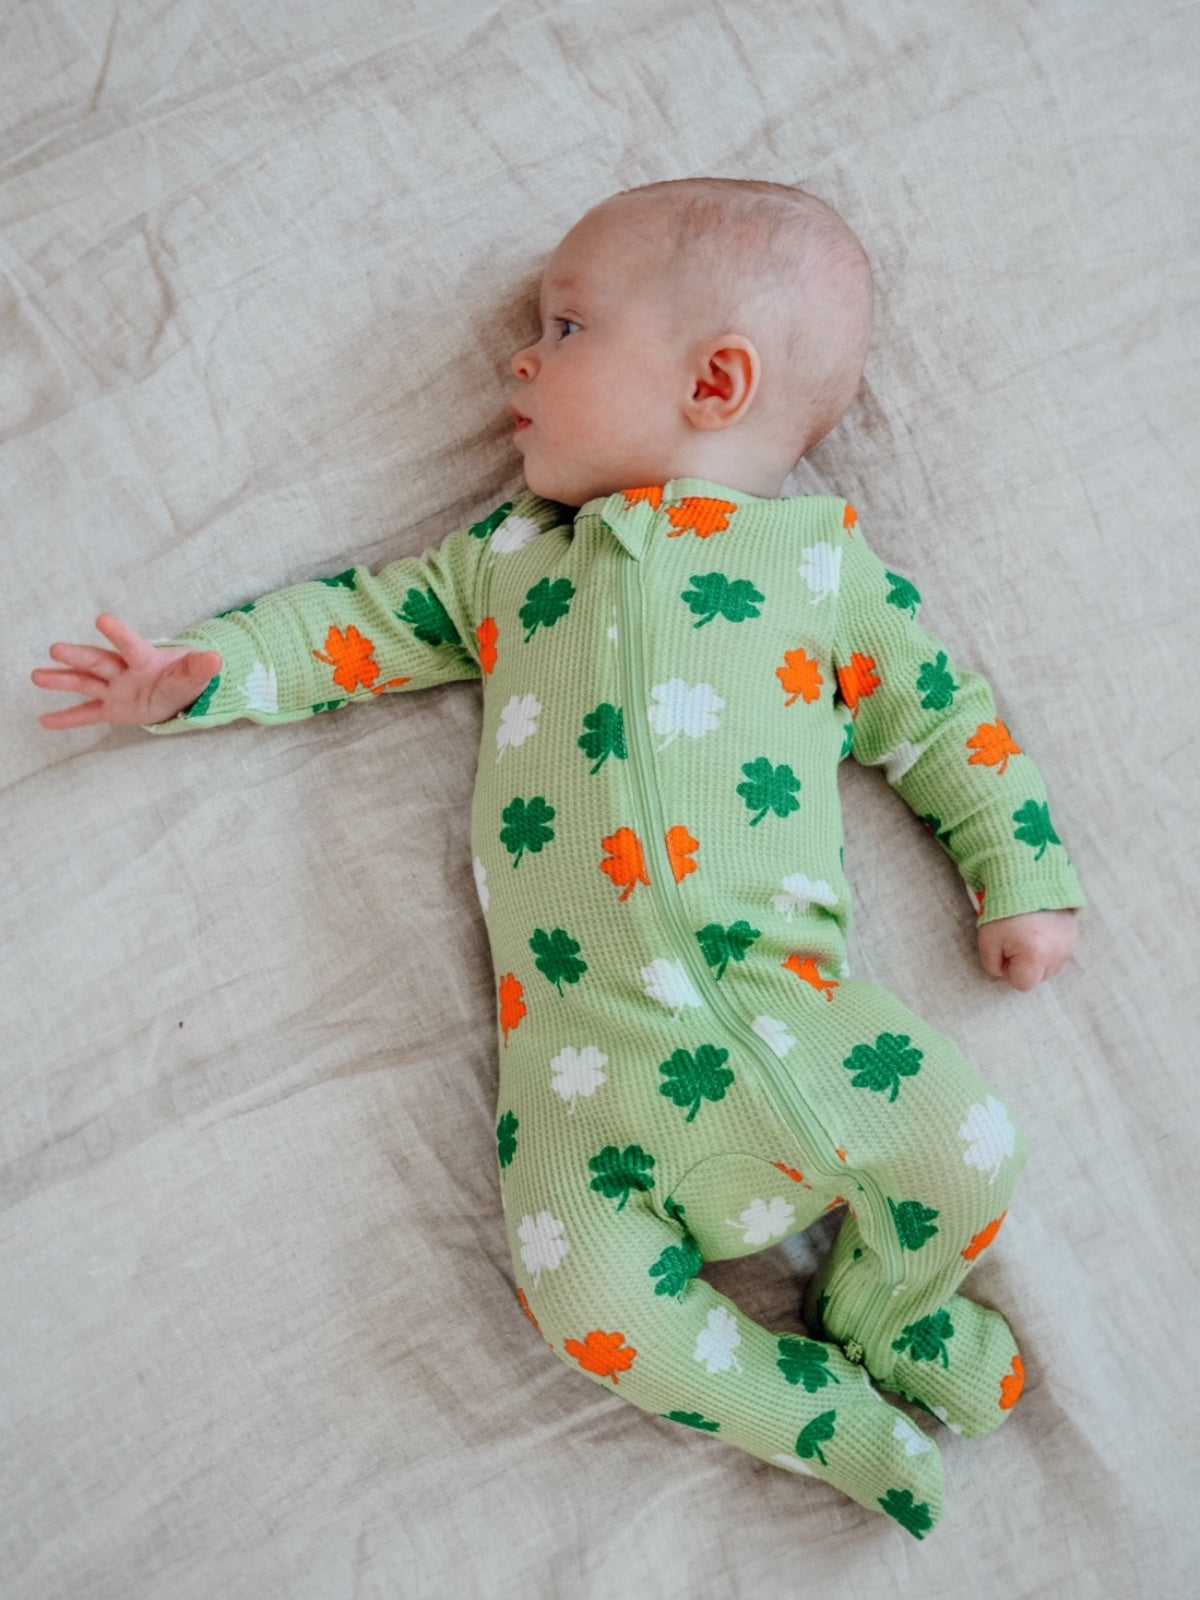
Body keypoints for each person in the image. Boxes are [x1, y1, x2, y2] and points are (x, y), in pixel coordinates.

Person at [31, 178, 1082, 1537]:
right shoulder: (509, 564)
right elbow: (359, 623)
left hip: (798, 1028)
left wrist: (1023, 874)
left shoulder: (820, 572)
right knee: (585, 1304)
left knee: (971, 1146)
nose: (517, 362)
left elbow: (946, 724)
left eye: (567, 328)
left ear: (716, 380)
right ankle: (822, 1420)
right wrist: (206, 670)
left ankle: (888, 1306)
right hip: (581, 1079)